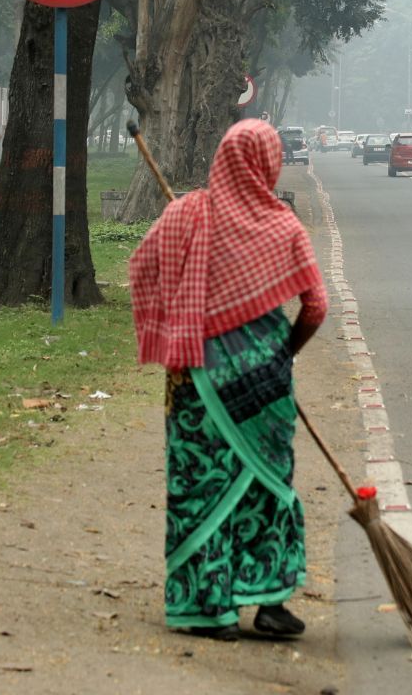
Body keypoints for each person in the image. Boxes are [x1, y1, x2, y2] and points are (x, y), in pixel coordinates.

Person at [129, 119, 328, 642]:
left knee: (202, 481)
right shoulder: (284, 226)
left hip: (197, 373)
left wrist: (183, 295)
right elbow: (316, 306)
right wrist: (285, 353)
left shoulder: (188, 213)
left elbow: (143, 265)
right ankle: (269, 602)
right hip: (266, 378)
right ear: (268, 163)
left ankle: (207, 607)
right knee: (268, 482)